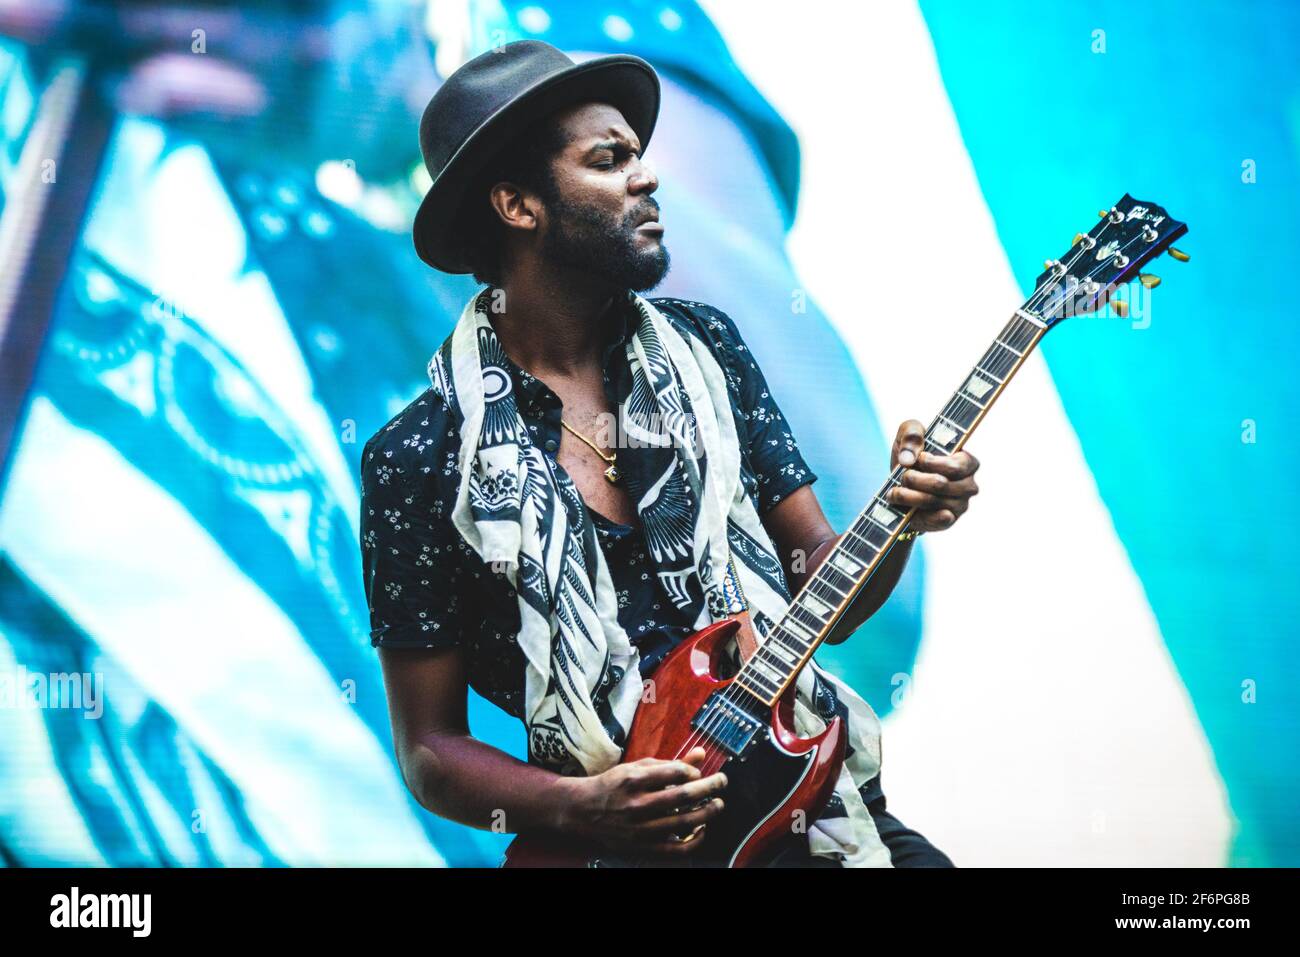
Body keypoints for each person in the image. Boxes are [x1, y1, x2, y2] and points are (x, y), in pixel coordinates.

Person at [361, 40, 978, 866]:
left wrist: (902, 516)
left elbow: (822, 585)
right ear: (516, 204)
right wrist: (581, 805)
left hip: (807, 812)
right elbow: (431, 749)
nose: (647, 177)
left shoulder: (710, 350)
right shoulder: (417, 456)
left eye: (640, 154)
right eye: (609, 158)